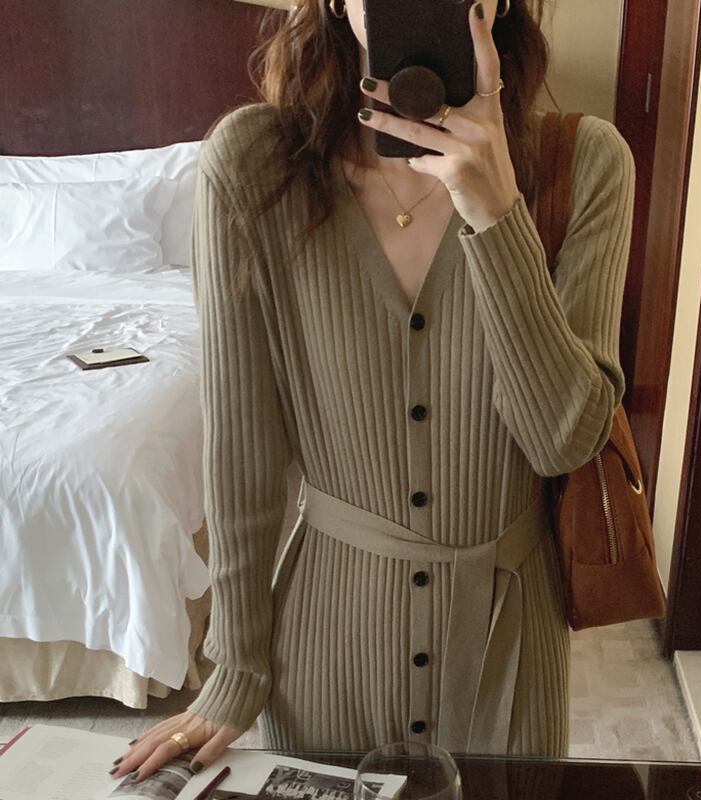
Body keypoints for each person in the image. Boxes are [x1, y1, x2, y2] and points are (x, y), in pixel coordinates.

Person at [109, 0, 635, 784]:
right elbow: (243, 448)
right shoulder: (253, 164)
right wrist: (237, 668)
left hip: (509, 649)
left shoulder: (585, 163)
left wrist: (497, 214)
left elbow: (562, 438)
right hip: (327, 644)